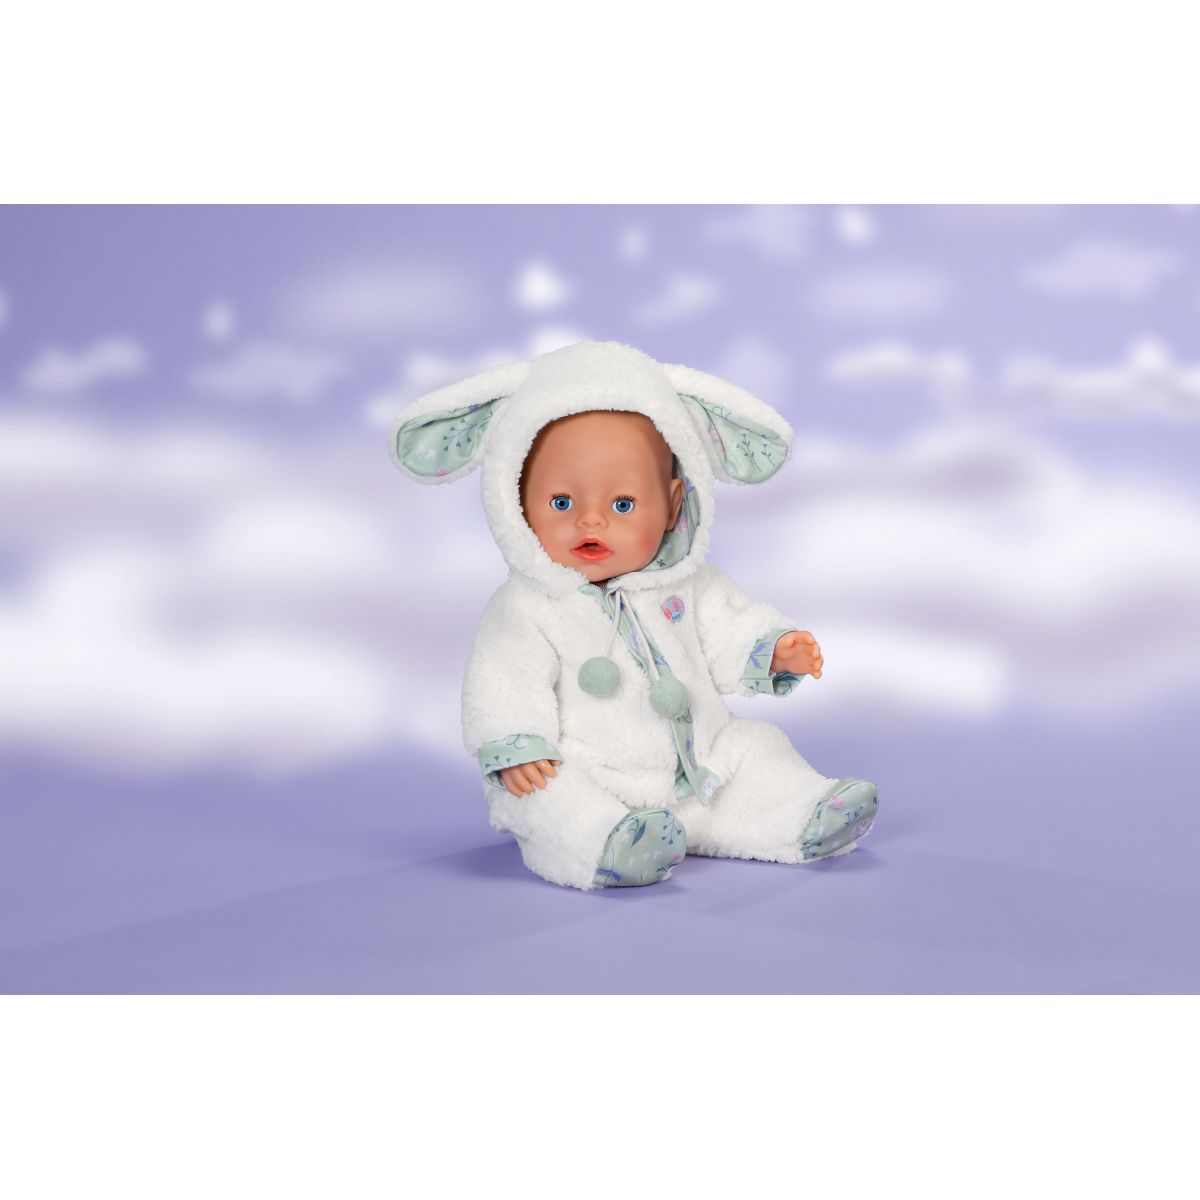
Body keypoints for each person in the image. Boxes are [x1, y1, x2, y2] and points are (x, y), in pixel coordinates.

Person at [389, 339, 878, 891]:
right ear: (515, 501)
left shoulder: (690, 588)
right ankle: (608, 843)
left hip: (698, 773)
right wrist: (515, 744)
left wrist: (773, 650)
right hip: (590, 775)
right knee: (542, 794)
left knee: (753, 746)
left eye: (622, 505)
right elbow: (502, 680)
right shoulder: (525, 607)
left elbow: (731, 629)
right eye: (561, 503)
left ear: (674, 504)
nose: (590, 523)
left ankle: (802, 817)